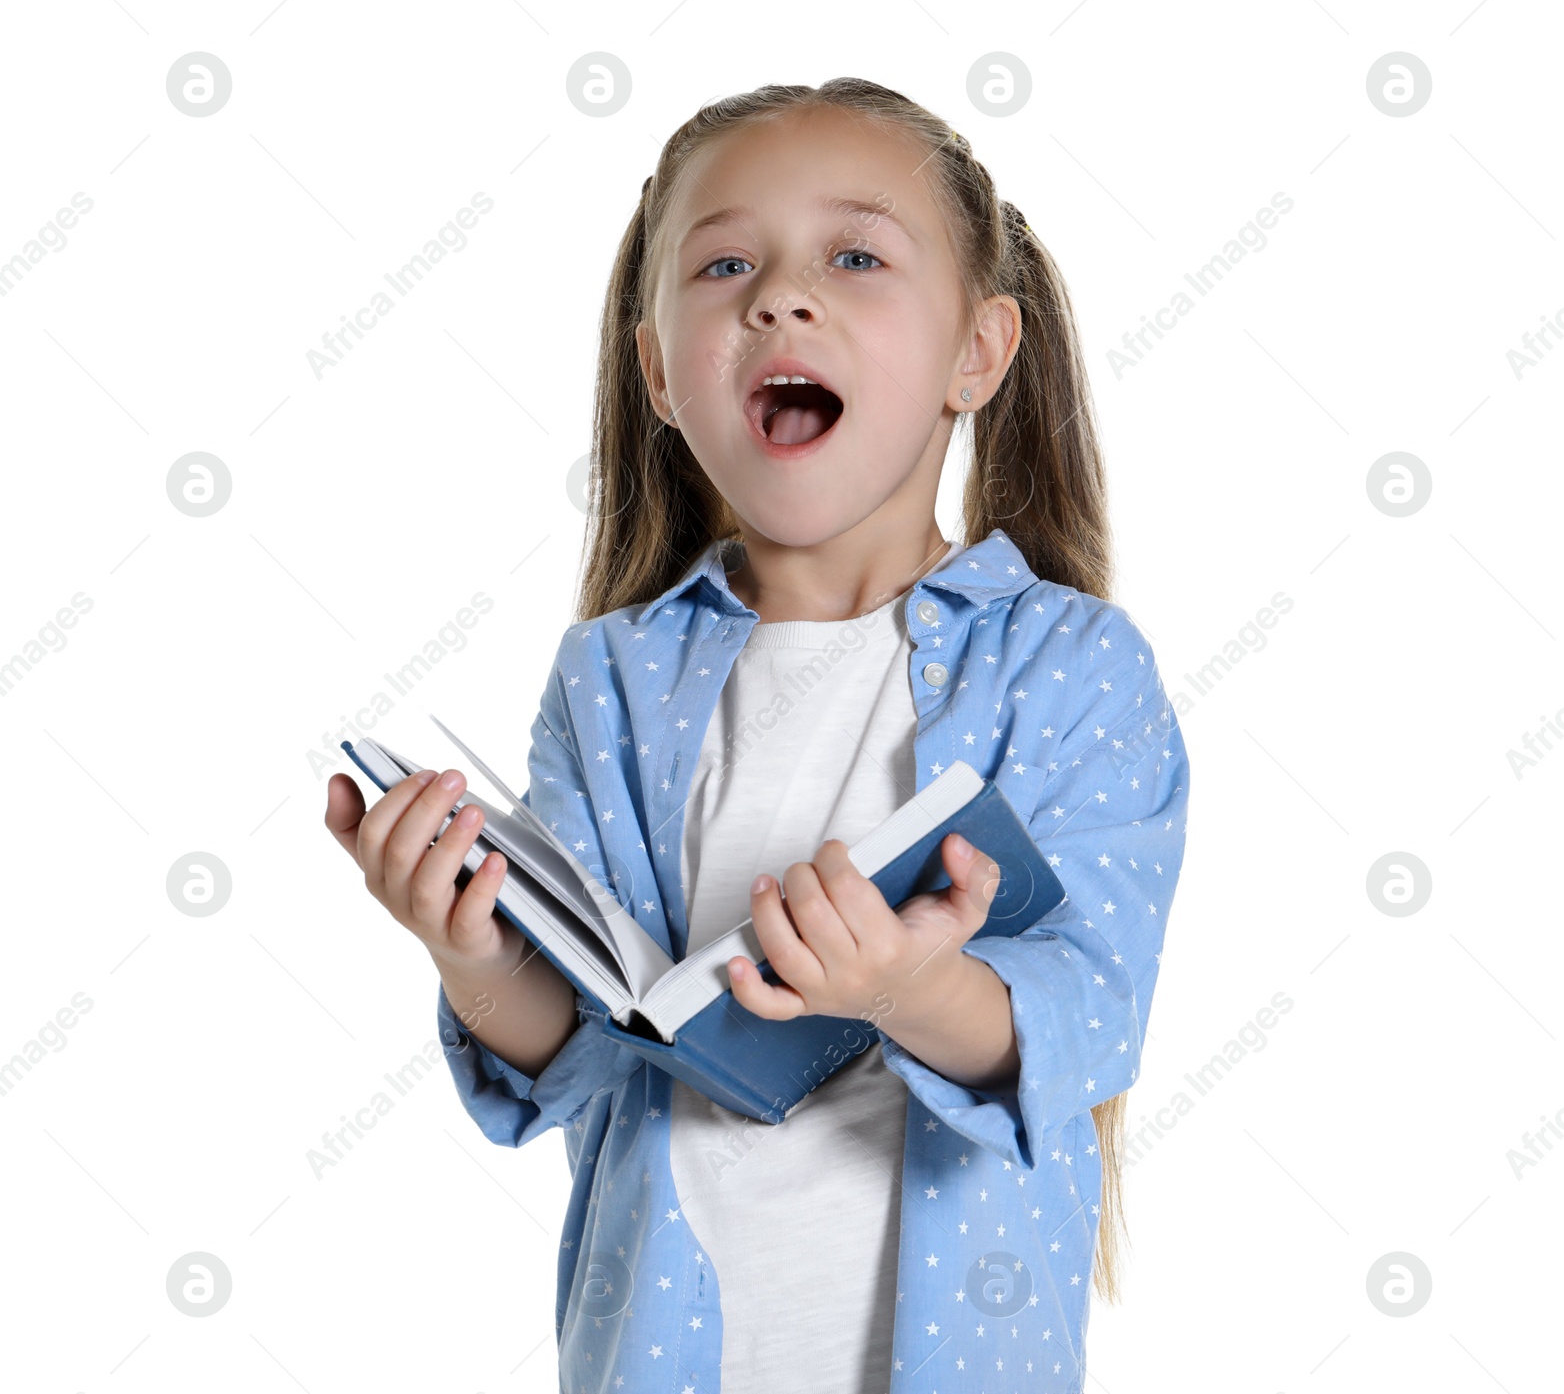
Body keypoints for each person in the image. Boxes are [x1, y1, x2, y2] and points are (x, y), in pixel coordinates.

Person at [325, 76, 1192, 1394]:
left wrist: (904, 985)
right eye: (726, 262)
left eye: (856, 256)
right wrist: (467, 949)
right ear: (663, 372)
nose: (783, 296)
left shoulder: (1070, 667)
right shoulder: (614, 676)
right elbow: (577, 1044)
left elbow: (1083, 1016)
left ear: (978, 351)